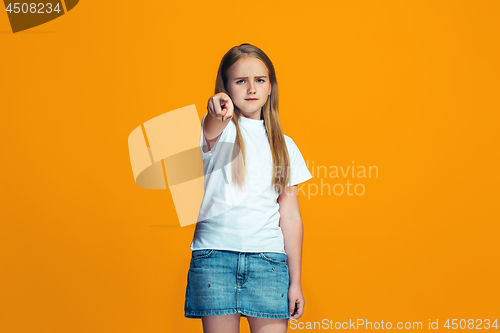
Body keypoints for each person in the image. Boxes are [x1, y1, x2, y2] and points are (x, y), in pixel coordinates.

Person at [184, 43, 313, 333]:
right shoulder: (222, 129)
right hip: (215, 258)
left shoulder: (285, 146)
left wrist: (295, 282)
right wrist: (217, 108)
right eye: (241, 81)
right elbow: (212, 122)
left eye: (260, 80)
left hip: (268, 262)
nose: (251, 88)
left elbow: (290, 216)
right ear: (226, 88)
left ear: (271, 88)